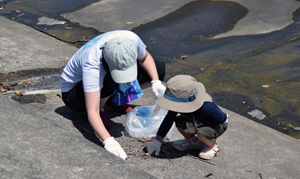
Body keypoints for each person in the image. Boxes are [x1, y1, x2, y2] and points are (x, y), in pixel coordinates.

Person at [60, 30, 166, 160]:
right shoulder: (93, 64)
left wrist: (155, 82)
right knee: (108, 81)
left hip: (104, 77)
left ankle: (111, 98)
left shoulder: (131, 39)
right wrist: (108, 140)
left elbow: (144, 58)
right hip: (74, 95)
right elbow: (91, 111)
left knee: (158, 68)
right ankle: (103, 105)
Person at [147, 75, 228, 160]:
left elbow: (222, 119)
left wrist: (202, 126)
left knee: (201, 132)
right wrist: (157, 140)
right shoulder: (177, 101)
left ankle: (212, 145)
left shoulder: (207, 107)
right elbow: (168, 120)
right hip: (195, 121)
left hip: (214, 124)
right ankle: (192, 142)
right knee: (179, 121)